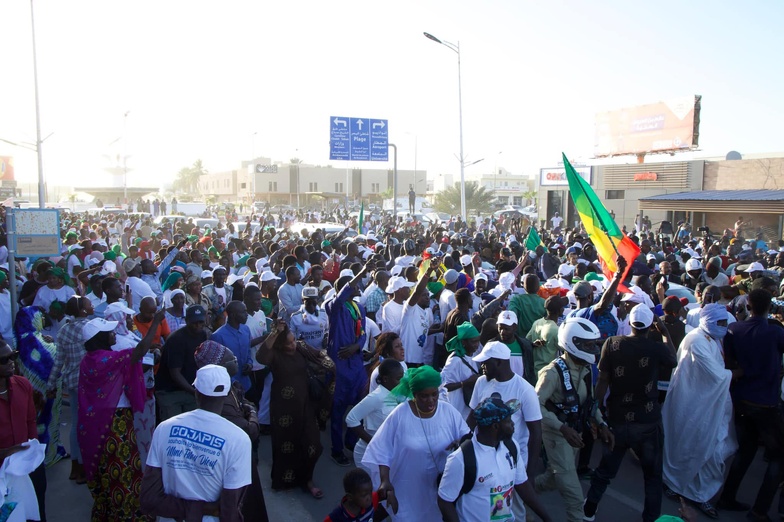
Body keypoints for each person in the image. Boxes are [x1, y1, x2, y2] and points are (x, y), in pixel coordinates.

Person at [583, 304, 677, 522]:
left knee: (605, 471)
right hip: (647, 422)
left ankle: (589, 510)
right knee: (652, 476)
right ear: (649, 326)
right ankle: (650, 518)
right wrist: (664, 333)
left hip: (617, 419)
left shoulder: (613, 344)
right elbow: (673, 360)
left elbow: (603, 380)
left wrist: (596, 412)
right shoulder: (656, 348)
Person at [78, 312, 164, 521]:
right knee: (123, 471)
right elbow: (140, 351)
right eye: (109, 332)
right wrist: (155, 323)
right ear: (99, 338)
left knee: (107, 474)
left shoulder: (90, 360)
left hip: (97, 425)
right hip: (114, 425)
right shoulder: (104, 359)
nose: (114, 333)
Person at [141, 364, 252, 522]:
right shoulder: (239, 439)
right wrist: (205, 509)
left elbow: (149, 498)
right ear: (227, 394)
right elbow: (230, 509)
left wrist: (190, 508)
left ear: (197, 393)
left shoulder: (164, 428)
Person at [362, 366, 469, 521]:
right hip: (407, 489)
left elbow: (467, 438)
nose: (431, 400)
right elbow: (381, 449)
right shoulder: (400, 414)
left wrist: (460, 443)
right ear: (414, 395)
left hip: (439, 489)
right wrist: (385, 481)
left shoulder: (449, 412)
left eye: (434, 394)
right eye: (424, 396)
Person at [662, 303, 736, 518]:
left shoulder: (714, 339)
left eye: (725, 323)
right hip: (691, 405)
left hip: (711, 403)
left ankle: (699, 495)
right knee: (688, 446)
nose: (723, 327)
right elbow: (716, 375)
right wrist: (736, 373)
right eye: (720, 323)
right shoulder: (696, 339)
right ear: (708, 322)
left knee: (714, 451)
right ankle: (675, 485)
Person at [719, 288, 784, 520]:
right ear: (770, 307)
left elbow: (730, 360)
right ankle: (760, 510)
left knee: (746, 451)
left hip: (742, 399)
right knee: (778, 456)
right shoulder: (776, 333)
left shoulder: (734, 329)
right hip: (766, 404)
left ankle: (727, 496)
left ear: (748, 304)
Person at [535, 317, 608, 522]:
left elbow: (589, 403)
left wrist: (601, 423)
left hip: (574, 434)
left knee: (552, 479)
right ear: (572, 343)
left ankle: (522, 494)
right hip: (557, 436)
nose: (593, 349)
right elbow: (535, 405)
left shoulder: (585, 369)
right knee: (575, 498)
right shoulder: (552, 373)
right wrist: (562, 428)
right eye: (588, 345)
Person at [438, 393, 553, 522]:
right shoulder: (461, 459)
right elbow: (445, 502)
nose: (513, 425)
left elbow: (522, 485)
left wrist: (547, 518)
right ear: (495, 426)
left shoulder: (511, 446)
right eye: (509, 421)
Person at [256, 320, 335, 498]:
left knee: (314, 445)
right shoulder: (274, 355)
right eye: (288, 343)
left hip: (305, 405)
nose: (293, 345)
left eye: (293, 341)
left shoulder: (301, 347)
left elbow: (320, 355)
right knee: (286, 445)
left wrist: (331, 365)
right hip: (283, 409)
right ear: (279, 345)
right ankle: (286, 480)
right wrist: (275, 332)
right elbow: (260, 357)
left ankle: (307, 479)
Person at [469, 341, 542, 519]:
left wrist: (530, 474)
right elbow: (472, 418)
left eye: (486, 362)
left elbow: (536, 433)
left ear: (500, 363)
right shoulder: (481, 383)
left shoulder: (525, 390)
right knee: (495, 513)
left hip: (513, 466)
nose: (482, 366)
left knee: (513, 512)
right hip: (485, 465)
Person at [325, 266, 370, 467]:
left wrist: (356, 347)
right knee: (338, 411)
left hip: (356, 365)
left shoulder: (359, 308)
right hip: (339, 367)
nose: (359, 286)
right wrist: (363, 270)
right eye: (355, 284)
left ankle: (351, 442)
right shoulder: (334, 306)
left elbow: (364, 335)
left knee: (359, 408)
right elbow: (341, 296)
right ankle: (336, 449)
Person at [47, 295, 94, 484]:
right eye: (88, 304)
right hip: (89, 382)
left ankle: (76, 466)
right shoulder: (90, 327)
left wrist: (51, 385)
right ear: (82, 310)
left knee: (75, 424)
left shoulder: (64, 330)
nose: (91, 305)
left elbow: (59, 361)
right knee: (88, 425)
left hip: (72, 382)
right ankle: (85, 467)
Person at [0, 340, 48, 521]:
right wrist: (5, 453)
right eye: (4, 360)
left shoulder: (23, 385)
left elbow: (30, 421)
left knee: (35, 511)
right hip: (2, 473)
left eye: (13, 356)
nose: (12, 362)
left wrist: (31, 455)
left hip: (28, 465)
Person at [15, 306, 68, 467]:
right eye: (40, 317)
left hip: (30, 394)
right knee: (46, 422)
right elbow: (54, 359)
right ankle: (48, 455)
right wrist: (55, 346)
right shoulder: (33, 341)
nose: (43, 319)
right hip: (45, 393)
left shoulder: (19, 339)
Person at [345, 359, 404, 489]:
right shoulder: (376, 397)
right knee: (374, 490)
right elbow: (351, 419)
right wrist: (372, 442)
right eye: (398, 379)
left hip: (385, 453)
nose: (401, 383)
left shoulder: (395, 395)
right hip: (367, 454)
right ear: (386, 379)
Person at [155, 305, 209, 421]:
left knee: (192, 426)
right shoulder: (176, 339)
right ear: (186, 321)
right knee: (173, 428)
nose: (198, 326)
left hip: (189, 390)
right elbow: (175, 373)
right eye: (194, 322)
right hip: (170, 391)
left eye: (201, 322)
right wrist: (194, 391)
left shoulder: (203, 335)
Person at [440, 322, 482, 421]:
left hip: (466, 408)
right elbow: (442, 386)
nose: (477, 345)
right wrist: (465, 383)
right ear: (464, 342)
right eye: (473, 342)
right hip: (456, 408)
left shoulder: (472, 355)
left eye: (478, 341)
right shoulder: (455, 360)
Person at [210, 301, 255, 394]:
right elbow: (216, 365)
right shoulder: (218, 336)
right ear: (233, 315)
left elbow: (248, 351)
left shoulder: (246, 329)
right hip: (229, 389)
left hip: (246, 384)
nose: (247, 314)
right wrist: (232, 381)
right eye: (243, 312)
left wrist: (250, 364)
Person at [526, 295, 565, 375]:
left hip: (534, 370)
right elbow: (564, 349)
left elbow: (527, 341)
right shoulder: (555, 330)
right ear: (560, 311)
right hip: (548, 372)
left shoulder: (537, 323)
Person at [290, 286, 329, 351]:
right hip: (303, 354)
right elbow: (291, 337)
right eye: (308, 302)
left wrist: (326, 338)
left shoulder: (324, 314)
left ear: (317, 299)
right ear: (303, 300)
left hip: (320, 352)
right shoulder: (295, 317)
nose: (311, 305)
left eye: (313, 302)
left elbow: (327, 330)